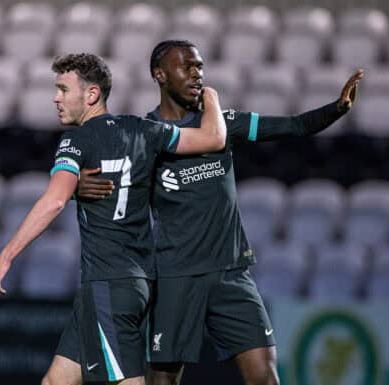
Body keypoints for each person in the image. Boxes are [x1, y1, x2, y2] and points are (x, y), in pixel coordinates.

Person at [77, 40, 364, 385]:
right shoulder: (145, 135)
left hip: (231, 273)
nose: (197, 74)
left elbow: (294, 126)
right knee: (162, 381)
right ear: (160, 75)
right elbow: (106, 180)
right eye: (187, 67)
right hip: (175, 276)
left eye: (200, 67)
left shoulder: (222, 122)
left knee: (265, 377)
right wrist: (75, 188)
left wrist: (337, 108)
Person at [0, 53, 227, 385]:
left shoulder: (76, 140)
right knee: (57, 381)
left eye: (63, 89)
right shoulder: (145, 130)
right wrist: (210, 96)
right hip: (134, 282)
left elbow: (54, 200)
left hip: (108, 283)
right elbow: (214, 138)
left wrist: (5, 256)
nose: (55, 98)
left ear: (91, 95)